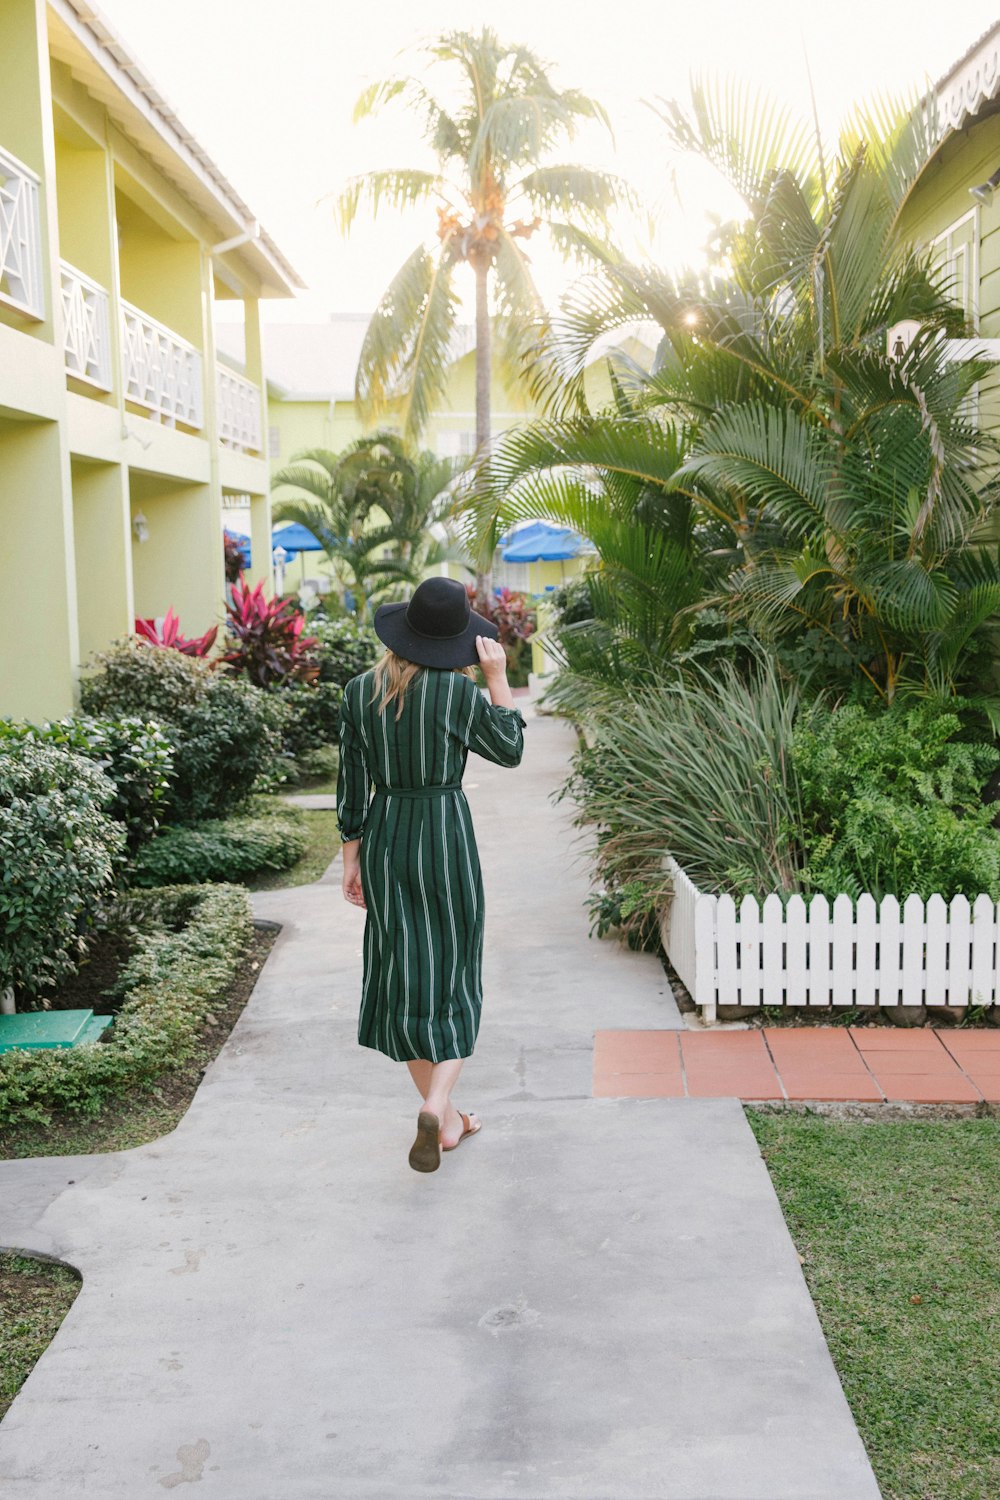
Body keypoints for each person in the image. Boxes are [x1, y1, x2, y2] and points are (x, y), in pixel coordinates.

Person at [335, 576, 526, 1174]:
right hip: (444, 836)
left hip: (387, 837)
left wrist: (352, 858)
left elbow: (350, 783)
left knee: (405, 975)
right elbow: (510, 750)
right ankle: (442, 1104)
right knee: (455, 972)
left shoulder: (358, 692)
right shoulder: (457, 694)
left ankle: (444, 1125)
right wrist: (497, 680)